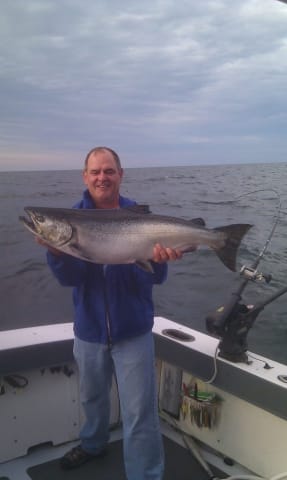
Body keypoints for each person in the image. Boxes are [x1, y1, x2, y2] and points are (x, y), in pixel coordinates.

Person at [39, 146, 184, 480]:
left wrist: (160, 260)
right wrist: (58, 253)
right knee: (92, 399)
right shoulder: (72, 218)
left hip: (133, 331)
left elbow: (156, 279)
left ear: (120, 174)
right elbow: (70, 280)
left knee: (139, 413)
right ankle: (92, 444)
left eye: (108, 171)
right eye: (95, 172)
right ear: (85, 176)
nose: (101, 177)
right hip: (89, 329)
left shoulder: (141, 216)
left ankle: (146, 474)